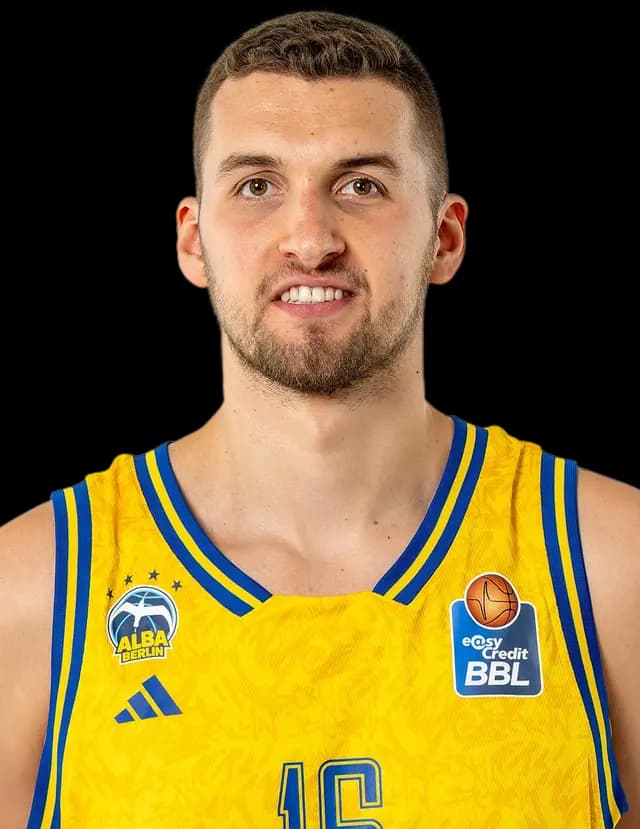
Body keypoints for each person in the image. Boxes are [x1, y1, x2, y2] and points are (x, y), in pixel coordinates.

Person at [1, 9, 637, 827]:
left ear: (445, 238)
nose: (309, 239)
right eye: (257, 186)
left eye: (360, 185)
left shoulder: (608, 562)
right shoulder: (37, 586)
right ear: (193, 241)